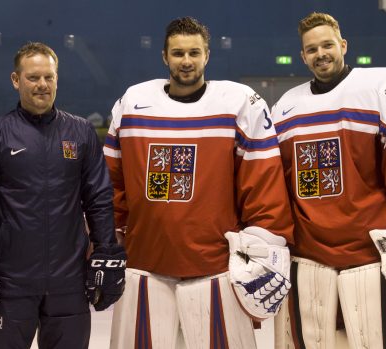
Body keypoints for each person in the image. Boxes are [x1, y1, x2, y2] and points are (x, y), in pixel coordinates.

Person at [103, 17, 294, 348]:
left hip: (215, 267)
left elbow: (262, 182)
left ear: (207, 55)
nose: (186, 61)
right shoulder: (133, 104)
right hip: (146, 262)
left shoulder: (238, 104)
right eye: (178, 53)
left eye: (194, 52)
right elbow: (113, 184)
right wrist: (109, 240)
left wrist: (263, 245)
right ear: (165, 57)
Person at [271, 12, 386, 349]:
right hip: (308, 260)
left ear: (343, 45)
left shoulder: (380, 89)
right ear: (302, 55)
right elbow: (274, 185)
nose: (321, 53)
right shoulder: (285, 109)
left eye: (327, 45)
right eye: (311, 49)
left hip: (371, 258)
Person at [0, 41, 125, 349]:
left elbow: (99, 199)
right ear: (16, 80)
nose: (42, 85)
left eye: (49, 77)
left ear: (57, 79)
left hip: (69, 284)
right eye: (33, 77)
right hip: (10, 285)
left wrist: (106, 252)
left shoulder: (81, 132)